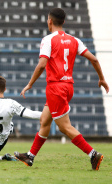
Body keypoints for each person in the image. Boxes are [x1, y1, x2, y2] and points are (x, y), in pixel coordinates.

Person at [14, 8, 109, 171]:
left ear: (49, 21)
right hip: (68, 86)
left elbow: (42, 64)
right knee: (45, 120)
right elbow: (93, 59)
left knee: (64, 127)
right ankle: (30, 156)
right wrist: (101, 78)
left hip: (55, 87)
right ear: (63, 22)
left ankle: (93, 154)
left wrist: (30, 84)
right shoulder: (75, 40)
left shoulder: (48, 40)